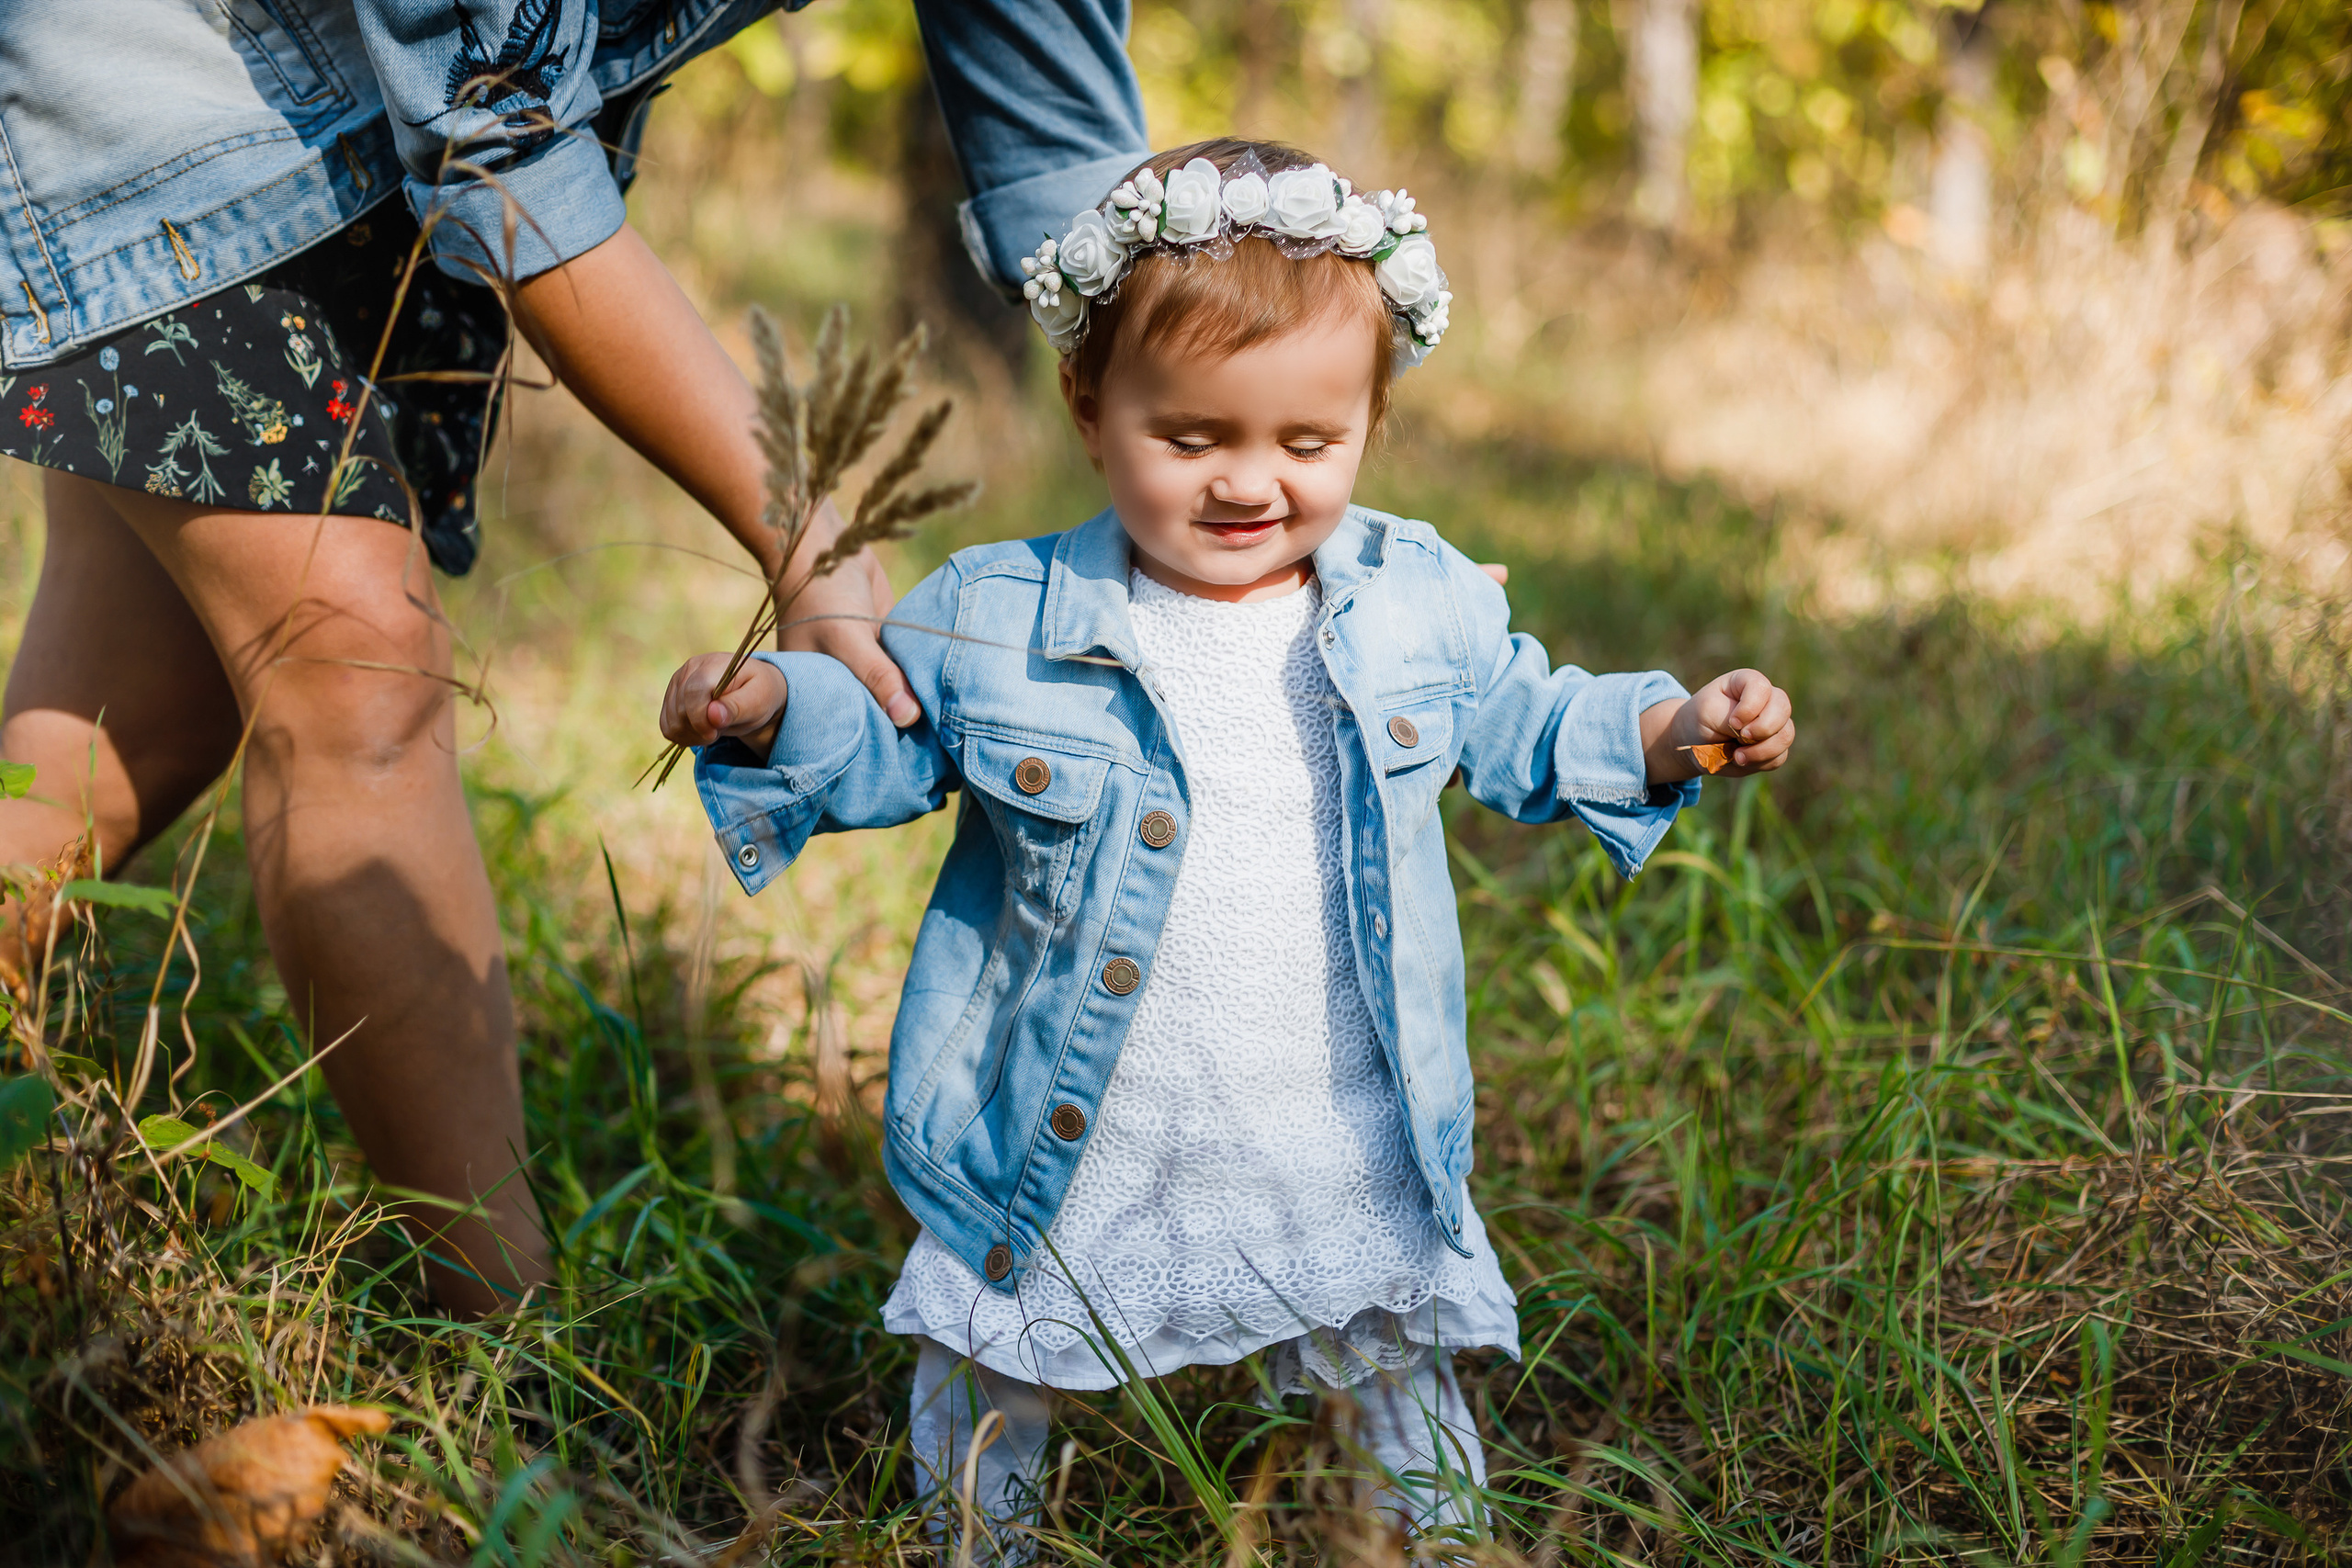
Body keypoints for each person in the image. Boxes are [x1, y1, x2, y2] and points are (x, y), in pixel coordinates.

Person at [660, 138, 1798, 1547]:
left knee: (1392, 1358)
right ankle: (976, 1539)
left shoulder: (1414, 602)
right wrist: (774, 709)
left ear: (1371, 419)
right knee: (995, 1352)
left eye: (1308, 444)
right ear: (1090, 406)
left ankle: (1430, 1541)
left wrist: (1679, 728)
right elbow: (891, 741)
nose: (1250, 483)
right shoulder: (1000, 616)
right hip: (1075, 1121)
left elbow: (1532, 721)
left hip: (1328, 1110)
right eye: (1192, 439)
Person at [0, 0, 1148, 1316]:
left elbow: (1062, 141)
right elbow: (499, 139)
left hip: (360, 134)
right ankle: (499, 1345)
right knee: (358, 666)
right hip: (146, 104)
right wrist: (804, 535)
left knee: (138, 716)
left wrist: (1235, 459)